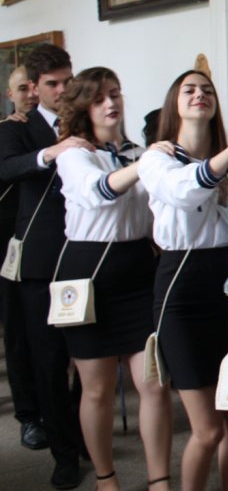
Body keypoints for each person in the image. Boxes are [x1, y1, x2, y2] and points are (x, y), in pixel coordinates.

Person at [54, 67, 172, 491]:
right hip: (89, 275)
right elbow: (99, 190)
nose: (111, 103)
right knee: (97, 389)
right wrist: (148, 164)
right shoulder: (74, 154)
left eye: (116, 94)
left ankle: (159, 480)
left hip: (139, 271)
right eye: (100, 97)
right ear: (84, 106)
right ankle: (106, 479)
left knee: (153, 384)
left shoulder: (139, 153)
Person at [138, 71, 228, 491]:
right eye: (190, 89)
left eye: (207, 90)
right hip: (181, 290)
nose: (200, 94)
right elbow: (183, 192)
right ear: (175, 104)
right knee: (208, 430)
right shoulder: (157, 159)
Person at [0, 45, 87, 489]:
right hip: (39, 260)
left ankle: (82, 431)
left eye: (67, 80)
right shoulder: (18, 127)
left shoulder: (86, 117)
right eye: (52, 83)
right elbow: (7, 168)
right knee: (49, 362)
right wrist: (52, 152)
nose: (62, 90)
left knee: (90, 359)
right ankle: (63, 452)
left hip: (86, 253)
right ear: (34, 87)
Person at [2, 64, 46, 451]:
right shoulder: (7, 131)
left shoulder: (56, 128)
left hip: (46, 242)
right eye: (22, 89)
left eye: (35, 88)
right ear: (10, 95)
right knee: (18, 334)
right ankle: (29, 415)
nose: (30, 95)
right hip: (9, 247)